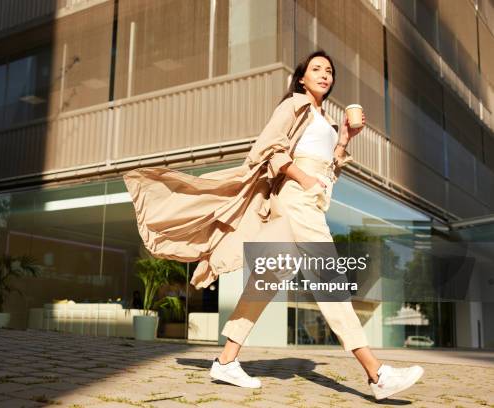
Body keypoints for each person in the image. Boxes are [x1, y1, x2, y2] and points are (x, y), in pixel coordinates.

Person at [124, 50, 424, 401]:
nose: (324, 74)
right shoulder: (293, 106)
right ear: (301, 78)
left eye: (329, 71)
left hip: (310, 202)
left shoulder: (325, 122)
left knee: (268, 279)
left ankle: (225, 361)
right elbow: (269, 150)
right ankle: (377, 373)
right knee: (328, 277)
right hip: (296, 199)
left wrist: (344, 138)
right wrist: (303, 178)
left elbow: (329, 172)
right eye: (316, 69)